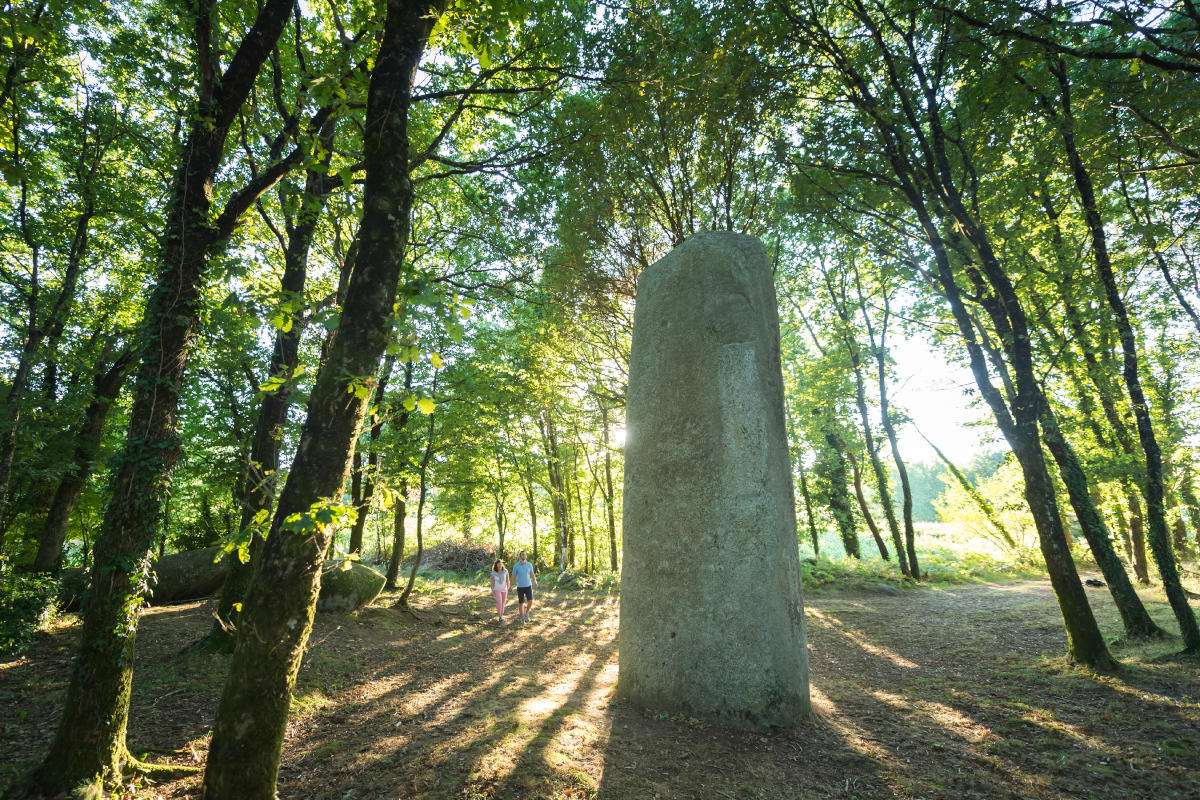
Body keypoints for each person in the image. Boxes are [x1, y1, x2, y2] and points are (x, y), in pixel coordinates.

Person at [511, 550, 537, 623]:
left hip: (528, 586)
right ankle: (522, 618)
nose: (524, 556)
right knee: (521, 603)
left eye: (525, 555)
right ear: (520, 556)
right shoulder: (516, 566)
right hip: (520, 587)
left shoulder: (529, 565)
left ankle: (526, 613)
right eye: (522, 555)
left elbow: (532, 574)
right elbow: (513, 576)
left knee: (530, 601)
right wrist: (510, 586)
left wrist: (535, 581)